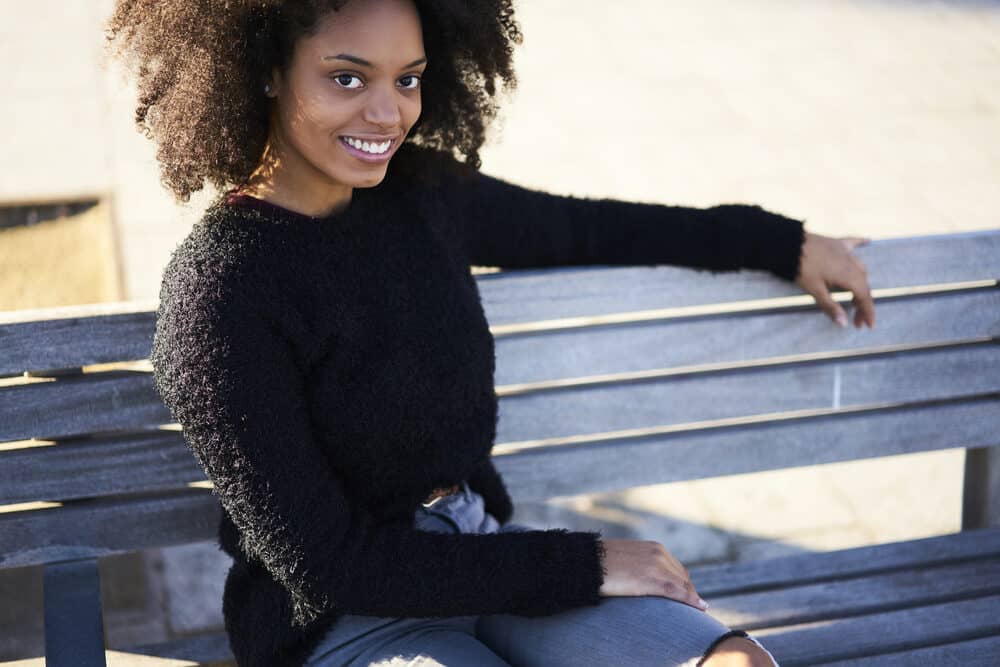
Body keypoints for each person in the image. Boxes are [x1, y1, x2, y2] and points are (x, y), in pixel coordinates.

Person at [106, 1, 875, 665]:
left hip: (485, 556)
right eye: (348, 77)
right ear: (265, 68)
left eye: (407, 78)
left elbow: (584, 228)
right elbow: (332, 564)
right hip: (342, 624)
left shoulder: (420, 194)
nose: (388, 113)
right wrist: (584, 561)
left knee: (738, 658)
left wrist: (779, 242)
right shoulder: (222, 293)